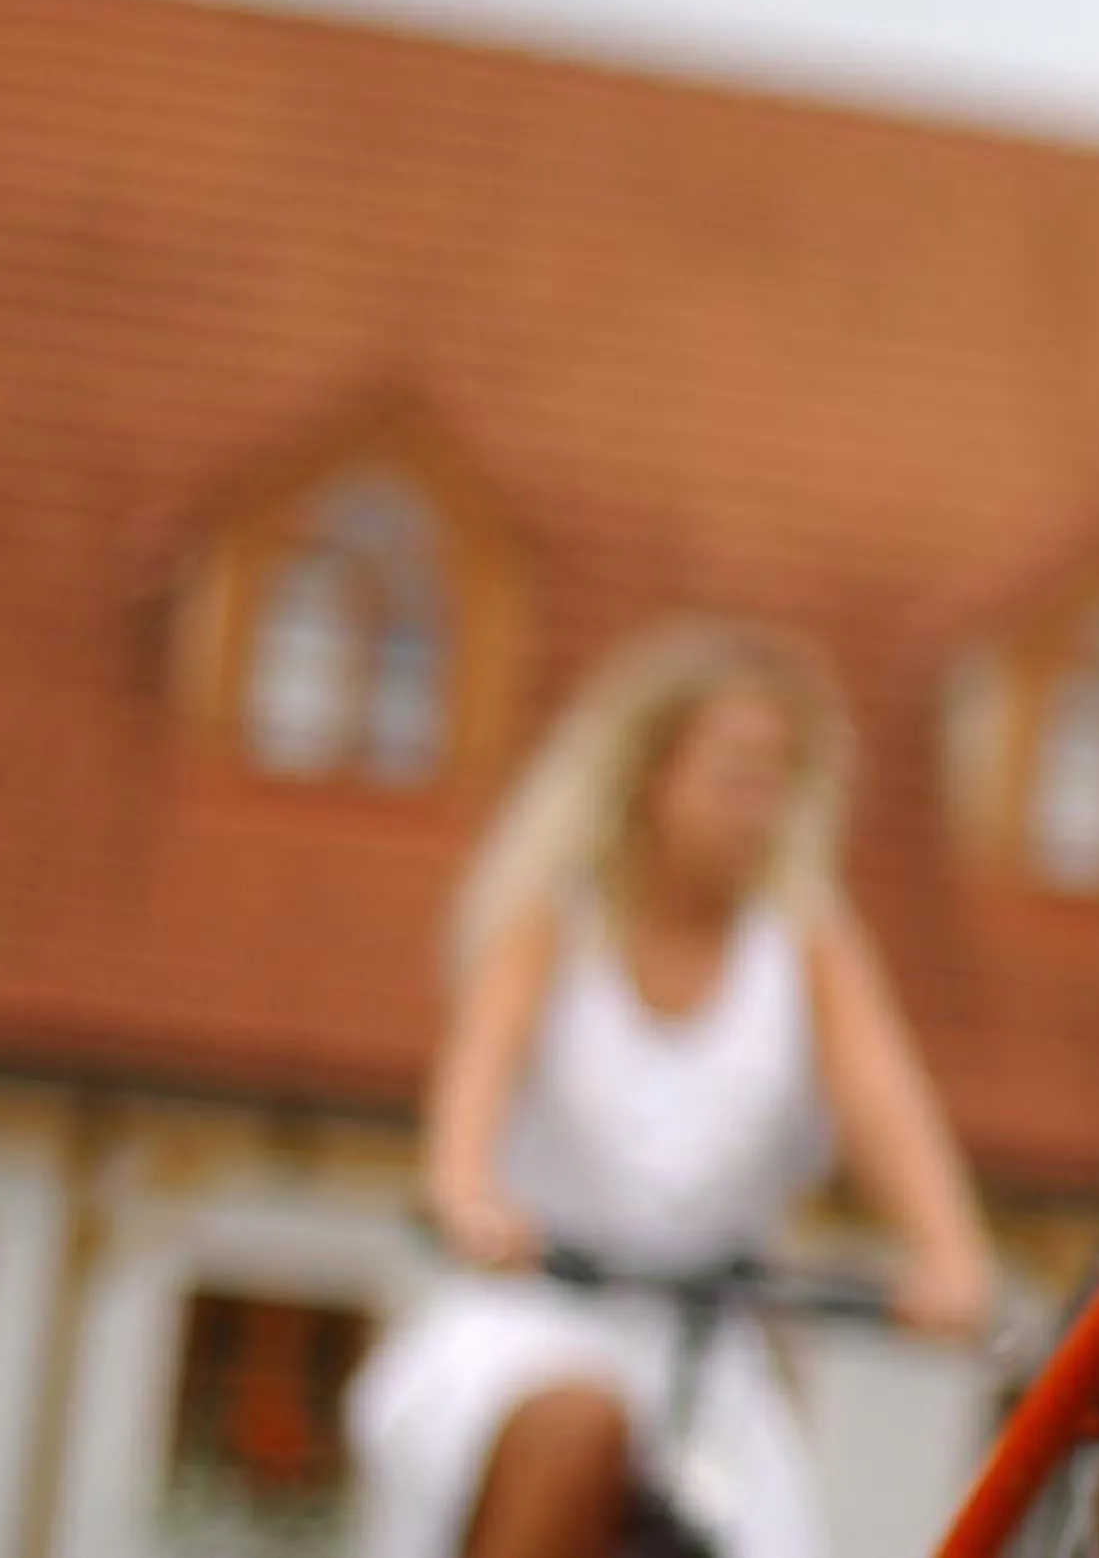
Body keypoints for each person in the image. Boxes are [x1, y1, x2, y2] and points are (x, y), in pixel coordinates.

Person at [349, 618, 996, 1558]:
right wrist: (469, 1201)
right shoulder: (550, 923)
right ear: (650, 776)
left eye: (778, 781)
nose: (759, 809)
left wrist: (950, 1258)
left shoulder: (807, 947)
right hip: (531, 1317)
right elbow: (467, 1110)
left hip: (709, 1356)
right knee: (577, 1430)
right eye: (734, 776)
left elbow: (887, 1108)